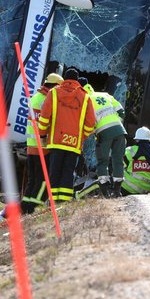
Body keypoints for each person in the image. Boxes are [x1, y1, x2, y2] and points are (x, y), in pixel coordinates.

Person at [38, 66, 97, 202]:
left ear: (64, 79)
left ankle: (51, 202)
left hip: (56, 140)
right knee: (68, 172)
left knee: (54, 171)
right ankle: (63, 202)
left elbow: (44, 117)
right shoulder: (86, 97)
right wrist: (81, 137)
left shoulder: (53, 93)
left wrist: (42, 135)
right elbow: (90, 124)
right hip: (73, 143)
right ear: (77, 80)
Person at [21, 71, 63, 214]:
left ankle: (25, 205)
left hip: (31, 146)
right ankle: (34, 206)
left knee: (32, 179)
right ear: (54, 87)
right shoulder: (46, 100)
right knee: (43, 179)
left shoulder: (35, 98)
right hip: (42, 146)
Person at [85, 83, 127, 197]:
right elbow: (122, 112)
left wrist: (93, 131)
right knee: (118, 159)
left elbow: (88, 122)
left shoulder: (86, 99)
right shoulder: (106, 95)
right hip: (120, 131)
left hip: (104, 132)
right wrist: (114, 122)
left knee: (102, 161)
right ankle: (117, 191)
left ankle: (105, 191)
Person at [120, 127, 150, 195]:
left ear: (137, 140)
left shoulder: (131, 150)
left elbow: (119, 163)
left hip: (127, 187)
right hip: (145, 190)